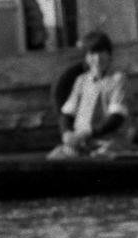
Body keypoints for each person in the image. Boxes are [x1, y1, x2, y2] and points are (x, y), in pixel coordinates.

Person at [51, 29, 131, 157]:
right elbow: (67, 113)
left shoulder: (117, 80)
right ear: (86, 58)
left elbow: (116, 117)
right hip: (82, 142)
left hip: (108, 141)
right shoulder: (81, 81)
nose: (98, 58)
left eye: (102, 52)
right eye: (93, 53)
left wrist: (87, 133)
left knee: (99, 159)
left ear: (109, 55)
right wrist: (66, 133)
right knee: (56, 158)